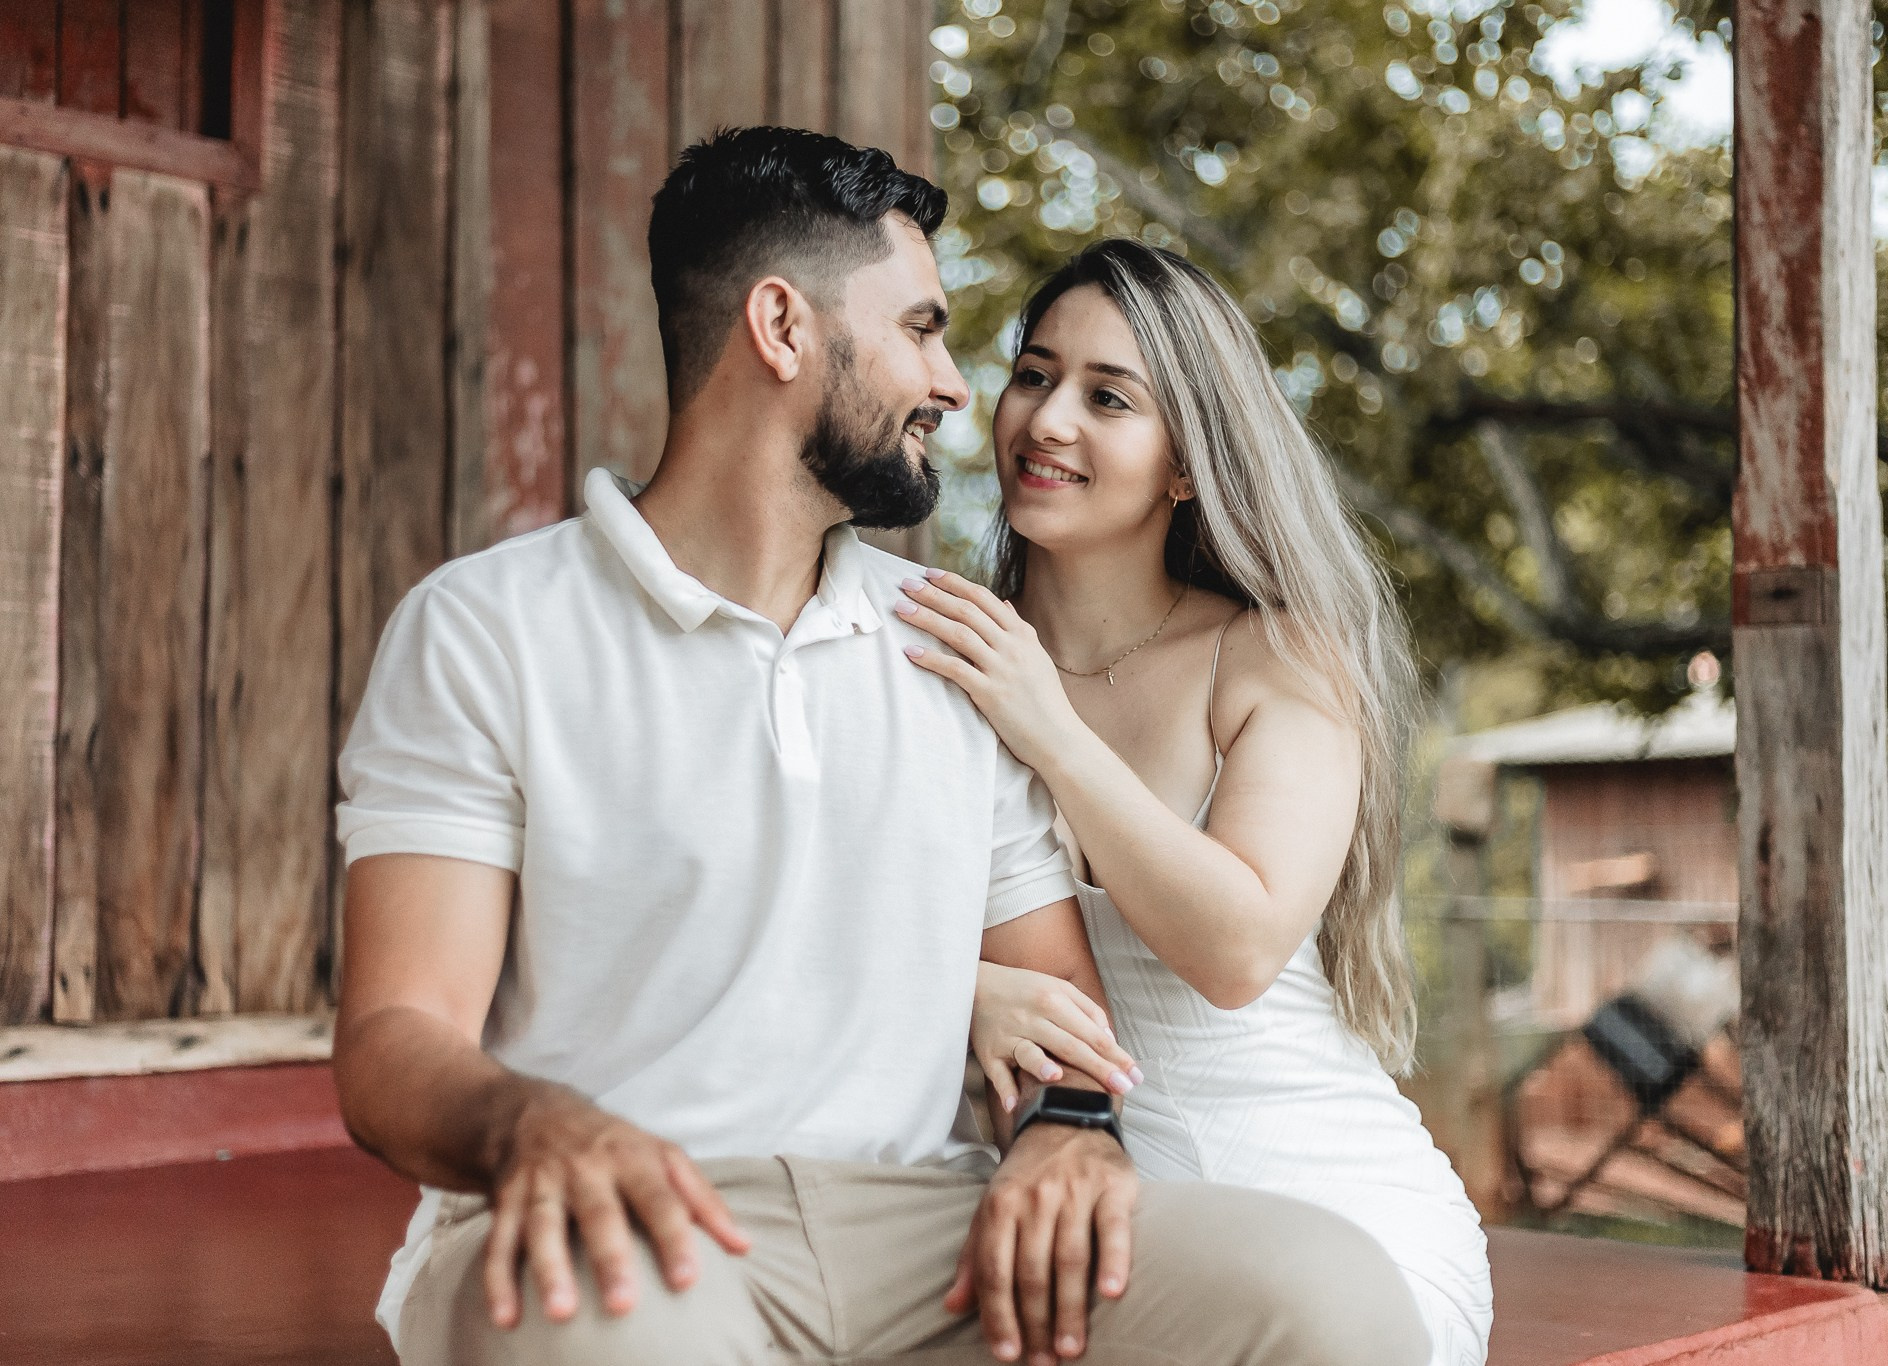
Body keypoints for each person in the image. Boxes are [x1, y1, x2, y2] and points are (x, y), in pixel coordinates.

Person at [332, 127, 1432, 1366]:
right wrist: (532, 1126)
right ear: (781, 328)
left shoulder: (953, 648)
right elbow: (393, 1038)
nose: (961, 389)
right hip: (634, 1216)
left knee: (1327, 1300)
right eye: (921, 330)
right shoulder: (487, 628)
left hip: (926, 1226)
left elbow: (1062, 1014)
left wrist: (1067, 1129)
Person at [893, 238, 1494, 1366]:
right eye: (1033, 375)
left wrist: (1048, 727)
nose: (1047, 420)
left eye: (1107, 397)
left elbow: (1237, 949)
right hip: (1078, 1204)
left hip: (1337, 1223)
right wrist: (960, 990)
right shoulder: (945, 655)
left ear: (1183, 463)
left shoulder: (1273, 658)